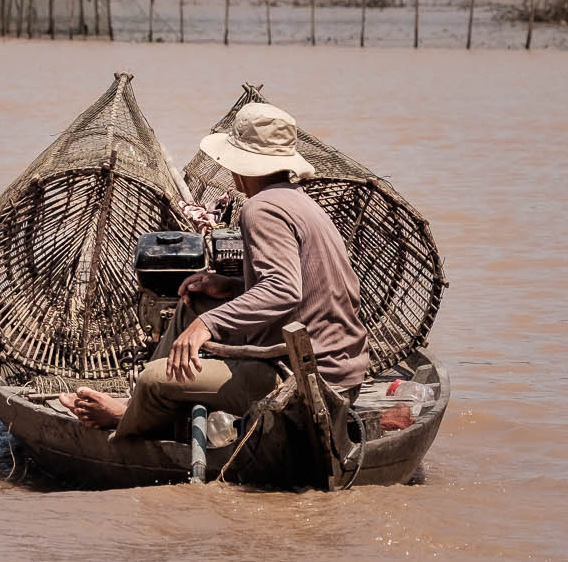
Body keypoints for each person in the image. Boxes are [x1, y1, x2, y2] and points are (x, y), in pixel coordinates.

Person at [60, 101, 369, 438]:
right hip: (342, 373)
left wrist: (206, 325)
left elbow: (283, 289)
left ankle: (126, 418)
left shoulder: (261, 208)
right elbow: (303, 291)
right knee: (192, 302)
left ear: (240, 165)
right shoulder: (301, 201)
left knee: (153, 379)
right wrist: (232, 286)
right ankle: (139, 404)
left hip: (302, 380)